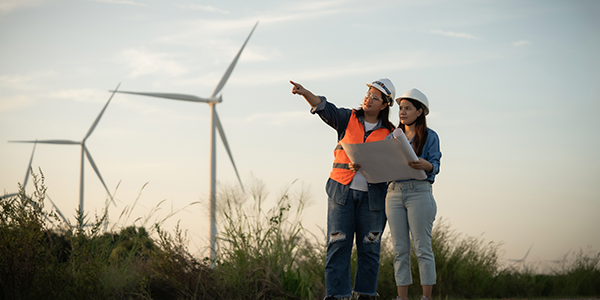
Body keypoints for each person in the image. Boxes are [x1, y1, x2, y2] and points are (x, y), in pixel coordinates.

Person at [290, 79, 396, 300]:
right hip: (341, 194)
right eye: (368, 93)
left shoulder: (391, 133)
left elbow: (393, 167)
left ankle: (365, 295)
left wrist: (370, 165)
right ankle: (337, 296)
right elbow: (324, 108)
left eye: (375, 97)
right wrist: (305, 93)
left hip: (373, 199)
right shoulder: (347, 118)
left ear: (385, 104)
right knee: (338, 246)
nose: (369, 98)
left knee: (370, 249)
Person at [385, 88, 441, 300]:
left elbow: (435, 165)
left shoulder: (430, 136)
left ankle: (426, 297)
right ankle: (402, 297)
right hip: (394, 193)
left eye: (408, 108)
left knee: (422, 248)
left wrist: (426, 165)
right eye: (400, 108)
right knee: (399, 249)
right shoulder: (392, 137)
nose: (402, 112)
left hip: (419, 192)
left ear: (420, 112)